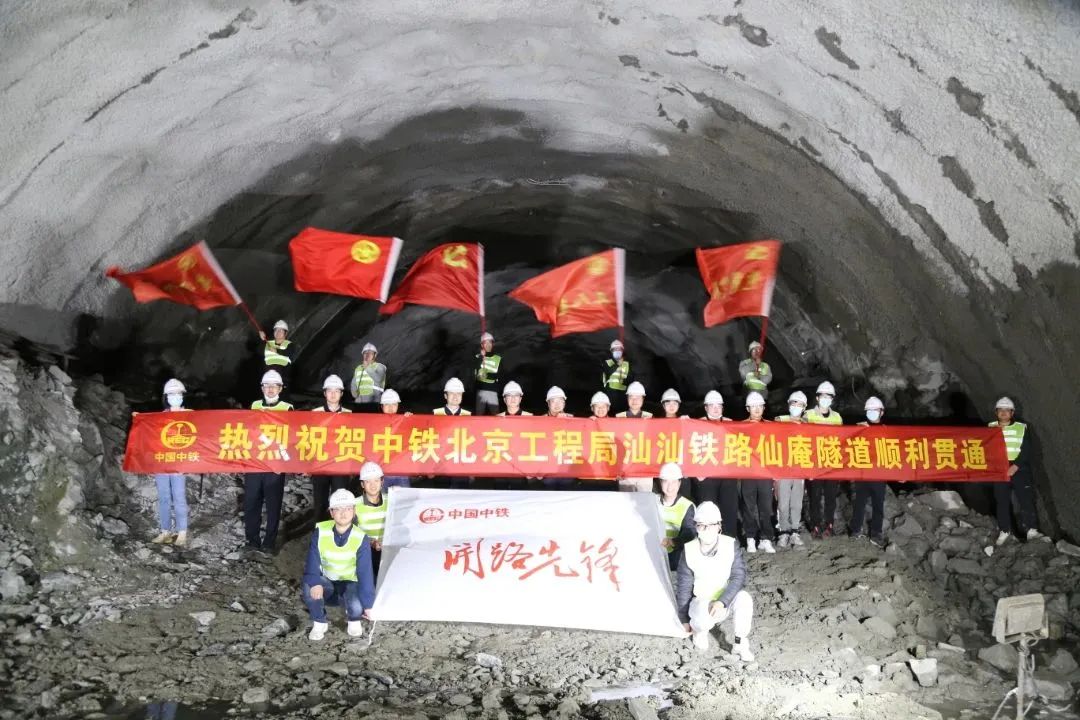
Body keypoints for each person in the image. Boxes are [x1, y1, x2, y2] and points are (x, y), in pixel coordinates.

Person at [675, 501, 755, 660]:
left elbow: (738, 576)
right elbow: (684, 586)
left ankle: (740, 643)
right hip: (701, 603)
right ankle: (700, 632)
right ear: (696, 526)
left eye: (711, 525)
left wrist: (722, 601)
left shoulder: (730, 544)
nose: (706, 530)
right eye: (701, 525)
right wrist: (684, 619)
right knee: (701, 621)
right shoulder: (689, 550)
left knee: (744, 598)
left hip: (724, 602)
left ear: (719, 526)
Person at [301, 489, 375, 641]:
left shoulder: (361, 537)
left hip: (350, 585)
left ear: (354, 511)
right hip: (327, 585)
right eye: (338, 509)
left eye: (347, 508)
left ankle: (354, 620)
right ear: (331, 512)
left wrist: (368, 605)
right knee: (309, 585)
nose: (343, 513)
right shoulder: (320, 532)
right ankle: (319, 622)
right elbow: (312, 561)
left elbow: (365, 573)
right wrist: (315, 582)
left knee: (356, 606)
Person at [246, 370, 294, 554]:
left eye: (274, 386)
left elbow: (292, 436)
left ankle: (269, 543)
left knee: (273, 505)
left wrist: (287, 461)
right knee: (252, 502)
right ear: (262, 388)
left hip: (275, 464)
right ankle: (252, 540)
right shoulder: (254, 405)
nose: (271, 389)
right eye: (267, 386)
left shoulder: (288, 408)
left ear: (280, 388)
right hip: (255, 462)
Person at [990, 397, 1045, 545]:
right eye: (1000, 410)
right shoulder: (990, 427)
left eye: (1007, 410)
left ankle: (1032, 530)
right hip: (999, 469)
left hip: (1019, 468)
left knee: (1025, 499)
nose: (1003, 413)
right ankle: (1004, 531)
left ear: (1012, 412)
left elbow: (1026, 449)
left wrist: (1015, 466)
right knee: (1002, 501)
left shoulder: (1021, 427)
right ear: (996, 412)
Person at [693, 391, 739, 540]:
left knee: (729, 507)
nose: (715, 409)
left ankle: (729, 539)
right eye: (712, 405)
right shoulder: (697, 423)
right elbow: (691, 446)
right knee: (707, 507)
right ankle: (707, 539)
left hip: (727, 473)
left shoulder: (730, 423)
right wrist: (697, 471)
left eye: (718, 406)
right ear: (705, 407)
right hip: (707, 474)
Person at [152, 378, 192, 547]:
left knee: (179, 496)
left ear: (182, 396)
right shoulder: (160, 417)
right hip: (162, 462)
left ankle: (182, 532)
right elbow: (152, 438)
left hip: (179, 462)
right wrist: (139, 420)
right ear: (166, 397)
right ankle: (165, 531)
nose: (175, 397)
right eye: (171, 394)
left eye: (178, 394)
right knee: (164, 497)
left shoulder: (191, 415)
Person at [310, 375, 352, 522]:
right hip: (320, 464)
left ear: (341, 393)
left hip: (340, 465)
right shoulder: (315, 413)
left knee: (339, 501)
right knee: (320, 501)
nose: (333, 394)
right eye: (330, 391)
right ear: (324, 393)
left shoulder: (349, 414)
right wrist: (307, 463)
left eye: (336, 391)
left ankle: (338, 528)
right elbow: (307, 439)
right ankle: (319, 529)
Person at [739, 392, 775, 554]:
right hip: (748, 473)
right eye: (753, 406)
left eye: (760, 406)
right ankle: (750, 538)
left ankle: (766, 539)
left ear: (764, 408)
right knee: (748, 507)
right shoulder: (739, 427)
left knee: (766, 507)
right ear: (748, 408)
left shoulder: (771, 426)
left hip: (765, 473)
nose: (757, 409)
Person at [806, 381, 842, 539]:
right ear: (817, 398)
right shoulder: (808, 415)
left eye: (829, 396)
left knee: (830, 496)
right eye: (823, 396)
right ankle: (815, 525)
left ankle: (829, 525)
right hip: (814, 462)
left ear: (832, 399)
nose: (825, 399)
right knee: (814, 495)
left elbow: (842, 439)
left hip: (831, 461)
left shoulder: (837, 417)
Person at [849, 396, 887, 547]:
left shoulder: (887, 431)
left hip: (879, 474)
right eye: (869, 410)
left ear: (881, 412)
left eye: (875, 410)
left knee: (878, 505)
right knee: (859, 503)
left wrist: (900, 473)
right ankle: (855, 530)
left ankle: (876, 533)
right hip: (862, 473)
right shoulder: (860, 428)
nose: (871, 412)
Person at [774, 391, 808, 549]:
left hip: (799, 469)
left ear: (804, 407)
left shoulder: (808, 425)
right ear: (789, 405)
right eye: (794, 403)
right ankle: (783, 531)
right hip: (783, 469)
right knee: (783, 503)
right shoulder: (779, 421)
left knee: (796, 502)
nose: (796, 407)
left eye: (800, 404)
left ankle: (794, 531)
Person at [658, 463, 696, 571]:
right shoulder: (653, 501)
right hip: (655, 552)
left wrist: (673, 541)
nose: (670, 487)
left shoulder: (687, 506)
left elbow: (690, 532)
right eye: (666, 482)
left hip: (675, 556)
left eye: (673, 482)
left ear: (679, 483)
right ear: (660, 482)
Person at [495, 382, 532, 489]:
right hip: (502, 464)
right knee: (499, 493)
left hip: (521, 465)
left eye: (516, 395)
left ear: (520, 398)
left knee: (519, 494)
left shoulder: (530, 418)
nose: (513, 399)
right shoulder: (497, 418)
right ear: (504, 399)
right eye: (509, 395)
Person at [355, 462, 388, 578]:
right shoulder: (354, 505)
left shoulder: (392, 500)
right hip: (366, 552)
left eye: (376, 481)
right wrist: (370, 542)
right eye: (368, 481)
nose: (373, 485)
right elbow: (352, 533)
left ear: (382, 482)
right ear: (362, 484)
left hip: (388, 551)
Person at [378, 389, 413, 489]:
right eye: (387, 404)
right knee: (382, 498)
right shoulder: (374, 423)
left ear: (398, 406)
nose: (390, 408)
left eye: (394, 404)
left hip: (401, 471)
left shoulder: (404, 421)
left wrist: (410, 421)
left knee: (404, 498)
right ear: (382, 406)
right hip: (381, 471)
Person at [542, 386, 574, 490]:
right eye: (553, 401)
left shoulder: (573, 420)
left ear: (564, 403)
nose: (557, 404)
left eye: (560, 401)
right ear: (548, 403)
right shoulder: (540, 421)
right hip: (548, 469)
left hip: (566, 469)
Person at [260, 320, 296, 386]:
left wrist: (277, 351)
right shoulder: (268, 343)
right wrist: (262, 339)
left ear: (286, 333)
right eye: (276, 330)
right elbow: (257, 352)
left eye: (281, 330)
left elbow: (289, 353)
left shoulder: (289, 345)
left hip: (282, 379)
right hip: (268, 379)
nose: (278, 332)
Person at [350, 343, 387, 409]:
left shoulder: (380, 367)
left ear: (375, 355)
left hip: (375, 401)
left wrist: (367, 367)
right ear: (363, 355)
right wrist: (354, 394)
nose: (367, 355)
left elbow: (378, 379)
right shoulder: (358, 368)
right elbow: (354, 383)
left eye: (370, 353)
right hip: (360, 401)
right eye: (365, 353)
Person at [474, 332, 502, 416]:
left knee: (495, 415)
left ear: (493, 344)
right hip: (480, 391)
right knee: (478, 416)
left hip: (493, 391)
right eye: (485, 343)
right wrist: (481, 357)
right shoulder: (477, 357)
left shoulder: (498, 358)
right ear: (482, 345)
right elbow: (476, 374)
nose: (488, 345)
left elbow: (500, 375)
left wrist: (487, 375)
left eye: (490, 342)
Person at [602, 340, 632, 413]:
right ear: (611, 351)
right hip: (610, 392)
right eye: (615, 349)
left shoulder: (627, 363)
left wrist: (626, 381)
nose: (617, 351)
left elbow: (631, 378)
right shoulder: (607, 362)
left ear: (622, 351)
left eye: (619, 349)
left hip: (623, 394)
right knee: (612, 412)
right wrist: (618, 364)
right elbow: (609, 372)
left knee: (622, 413)